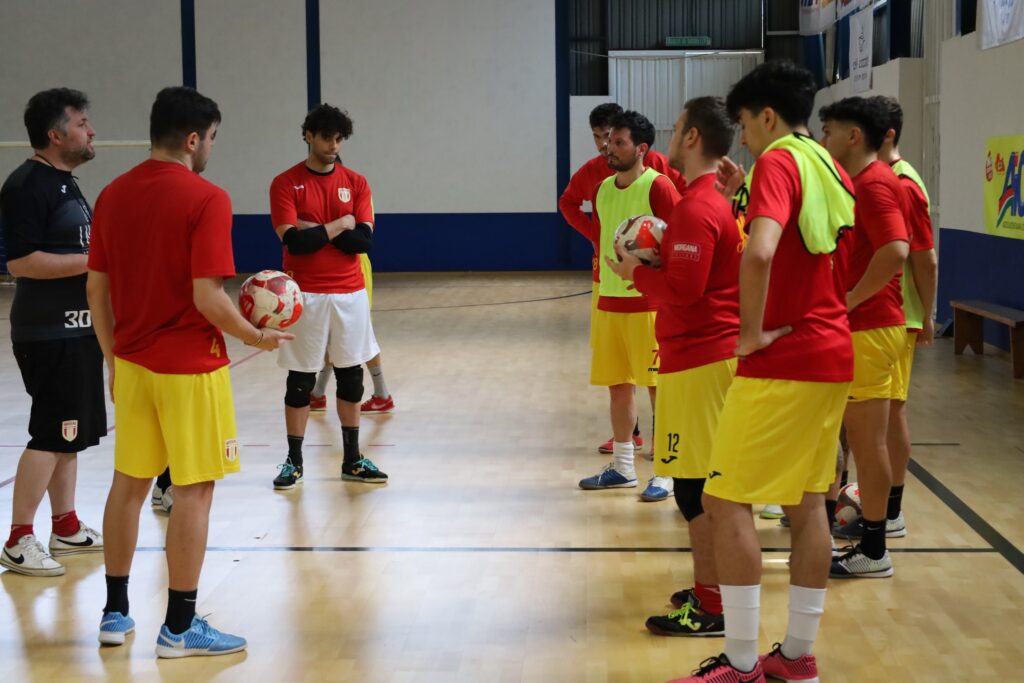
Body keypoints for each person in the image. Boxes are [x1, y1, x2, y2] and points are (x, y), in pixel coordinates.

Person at [88, 86, 291, 656]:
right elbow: (208, 296)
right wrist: (257, 336)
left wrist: (112, 358)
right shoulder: (207, 198)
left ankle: (114, 614)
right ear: (194, 139)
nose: (212, 149)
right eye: (213, 138)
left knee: (128, 485)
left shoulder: (112, 194)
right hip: (190, 367)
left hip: (132, 364)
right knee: (193, 491)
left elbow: (96, 289)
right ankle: (179, 628)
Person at [672, 61, 855, 683]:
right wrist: (742, 193)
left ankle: (742, 663)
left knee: (723, 500)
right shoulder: (824, 161)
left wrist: (748, 333)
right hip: (830, 352)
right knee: (806, 504)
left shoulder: (778, 162)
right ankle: (796, 656)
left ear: (768, 116)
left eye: (746, 125)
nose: (743, 138)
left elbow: (762, 251)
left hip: (784, 360)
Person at [607, 97, 740, 637]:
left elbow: (684, 291)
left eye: (677, 125)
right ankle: (712, 587)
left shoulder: (695, 207)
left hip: (701, 360)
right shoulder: (706, 202)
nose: (671, 132)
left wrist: (634, 272)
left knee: (696, 488)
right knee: (699, 485)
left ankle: (712, 605)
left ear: (691, 137)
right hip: (699, 358)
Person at [0, 88, 104, 578]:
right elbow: (21, 263)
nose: (92, 131)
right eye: (82, 124)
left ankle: (65, 525)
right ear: (55, 134)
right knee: (49, 432)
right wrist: (96, 261)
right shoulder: (27, 185)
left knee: (71, 432)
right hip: (47, 333)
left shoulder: (67, 183)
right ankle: (19, 538)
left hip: (79, 328)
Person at [558, 103, 685, 467]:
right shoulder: (600, 188)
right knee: (618, 386)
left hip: (649, 304)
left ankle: (666, 468)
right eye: (605, 140)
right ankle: (623, 465)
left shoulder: (659, 184)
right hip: (609, 301)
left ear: (640, 148)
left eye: (617, 142)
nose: (607, 147)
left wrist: (659, 272)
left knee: (659, 386)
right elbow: (584, 218)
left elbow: (681, 234)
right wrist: (598, 243)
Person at [268, 104, 387, 490]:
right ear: (308, 135)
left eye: (339, 139)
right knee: (300, 381)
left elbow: (362, 241)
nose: (333, 145)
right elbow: (295, 243)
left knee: (351, 378)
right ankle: (294, 461)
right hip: (305, 294)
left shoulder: (357, 182)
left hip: (350, 294)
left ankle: (352, 460)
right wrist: (339, 224)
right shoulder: (285, 183)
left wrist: (317, 229)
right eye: (326, 138)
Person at [820, 97, 910, 578]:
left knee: (869, 442)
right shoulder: (858, 182)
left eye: (829, 130)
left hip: (870, 329)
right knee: (857, 438)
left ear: (854, 136)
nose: (824, 139)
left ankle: (874, 550)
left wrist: (851, 299)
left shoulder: (875, 183)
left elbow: (897, 249)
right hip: (865, 328)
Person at [873, 94, 938, 538]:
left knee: (892, 412)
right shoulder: (878, 179)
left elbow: (924, 258)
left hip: (900, 314)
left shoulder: (904, 183)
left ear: (887, 134)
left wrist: (927, 314)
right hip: (882, 314)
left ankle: (892, 510)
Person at [309, 254, 395, 415]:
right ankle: (317, 394)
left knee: (362, 334)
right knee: (331, 332)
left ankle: (382, 394)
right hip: (331, 268)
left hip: (351, 268)